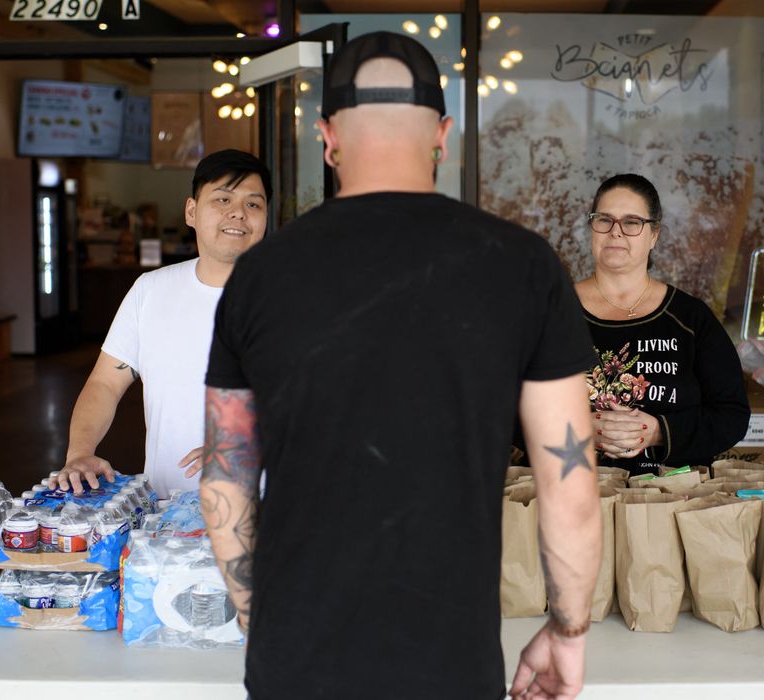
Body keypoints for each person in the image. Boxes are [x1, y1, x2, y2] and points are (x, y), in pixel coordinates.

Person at [200, 32, 602, 700]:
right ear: (442, 134)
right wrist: (568, 631)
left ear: (327, 138)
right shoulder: (522, 265)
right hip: (450, 666)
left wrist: (260, 620)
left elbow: (226, 479)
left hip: (294, 662)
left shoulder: (259, 276)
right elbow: (570, 486)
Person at [52, 149, 271, 498]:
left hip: (266, 510)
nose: (238, 213)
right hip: (166, 518)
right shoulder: (150, 291)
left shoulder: (293, 299)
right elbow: (106, 383)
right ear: (191, 211)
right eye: (223, 199)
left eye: (253, 204)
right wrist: (80, 452)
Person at [574, 173, 750, 475]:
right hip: (569, 491)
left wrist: (658, 431)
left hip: (666, 500)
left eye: (632, 222)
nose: (615, 232)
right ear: (592, 227)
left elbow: (731, 415)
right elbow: (503, 406)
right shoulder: (551, 313)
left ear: (654, 234)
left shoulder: (691, 319)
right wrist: (578, 430)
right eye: (604, 219)